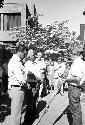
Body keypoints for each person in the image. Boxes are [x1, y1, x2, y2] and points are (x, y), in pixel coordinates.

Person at [8, 44, 28, 125]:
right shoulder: (15, 62)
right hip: (17, 89)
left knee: (17, 112)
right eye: (24, 53)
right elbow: (21, 78)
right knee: (16, 113)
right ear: (20, 51)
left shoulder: (16, 61)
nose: (25, 55)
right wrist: (26, 83)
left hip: (17, 88)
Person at [65, 50, 85, 125]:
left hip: (74, 87)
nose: (70, 56)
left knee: (75, 110)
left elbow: (77, 78)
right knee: (77, 109)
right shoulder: (81, 62)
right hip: (76, 88)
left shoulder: (76, 63)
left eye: (70, 55)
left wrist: (65, 80)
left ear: (73, 54)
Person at [24, 49, 42, 124]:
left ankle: (34, 114)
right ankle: (28, 119)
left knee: (34, 100)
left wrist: (39, 80)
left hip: (36, 83)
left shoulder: (35, 63)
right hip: (31, 84)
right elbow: (29, 75)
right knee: (30, 101)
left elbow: (38, 72)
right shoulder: (27, 64)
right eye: (32, 54)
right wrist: (38, 79)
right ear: (29, 56)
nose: (34, 55)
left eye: (34, 54)